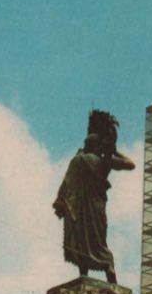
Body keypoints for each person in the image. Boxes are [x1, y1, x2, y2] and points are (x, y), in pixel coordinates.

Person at [53, 110, 135, 283]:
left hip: (81, 208)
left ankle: (85, 274)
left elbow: (66, 186)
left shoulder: (78, 160)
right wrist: (115, 152)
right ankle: (108, 275)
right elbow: (130, 164)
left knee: (84, 240)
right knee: (97, 241)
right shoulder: (104, 162)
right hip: (94, 209)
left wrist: (62, 204)